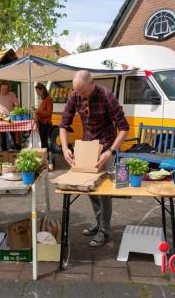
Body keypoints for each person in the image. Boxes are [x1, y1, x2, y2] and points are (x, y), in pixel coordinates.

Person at [59, 70, 129, 247]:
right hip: (87, 148)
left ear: (92, 83)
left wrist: (111, 152)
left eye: (83, 92)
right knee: (90, 188)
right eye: (78, 92)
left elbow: (124, 127)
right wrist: (66, 148)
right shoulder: (75, 96)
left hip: (106, 147)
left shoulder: (106, 96)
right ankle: (99, 223)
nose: (80, 96)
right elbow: (63, 124)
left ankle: (104, 231)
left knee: (103, 192)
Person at [0, 81, 19, 150]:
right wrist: (0, 110)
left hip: (10, 117)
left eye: (6, 89)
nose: (5, 91)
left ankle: (12, 149)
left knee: (11, 133)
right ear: (0, 88)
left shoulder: (11, 94)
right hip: (0, 118)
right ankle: (2, 150)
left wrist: (14, 111)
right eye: (3, 89)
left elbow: (17, 105)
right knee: (1, 134)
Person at [34, 83, 53, 159]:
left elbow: (49, 113)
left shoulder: (48, 99)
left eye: (38, 91)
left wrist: (38, 112)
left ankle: (47, 160)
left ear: (42, 90)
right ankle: (45, 159)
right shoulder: (43, 100)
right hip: (42, 124)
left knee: (45, 144)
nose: (37, 93)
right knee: (43, 143)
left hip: (46, 124)